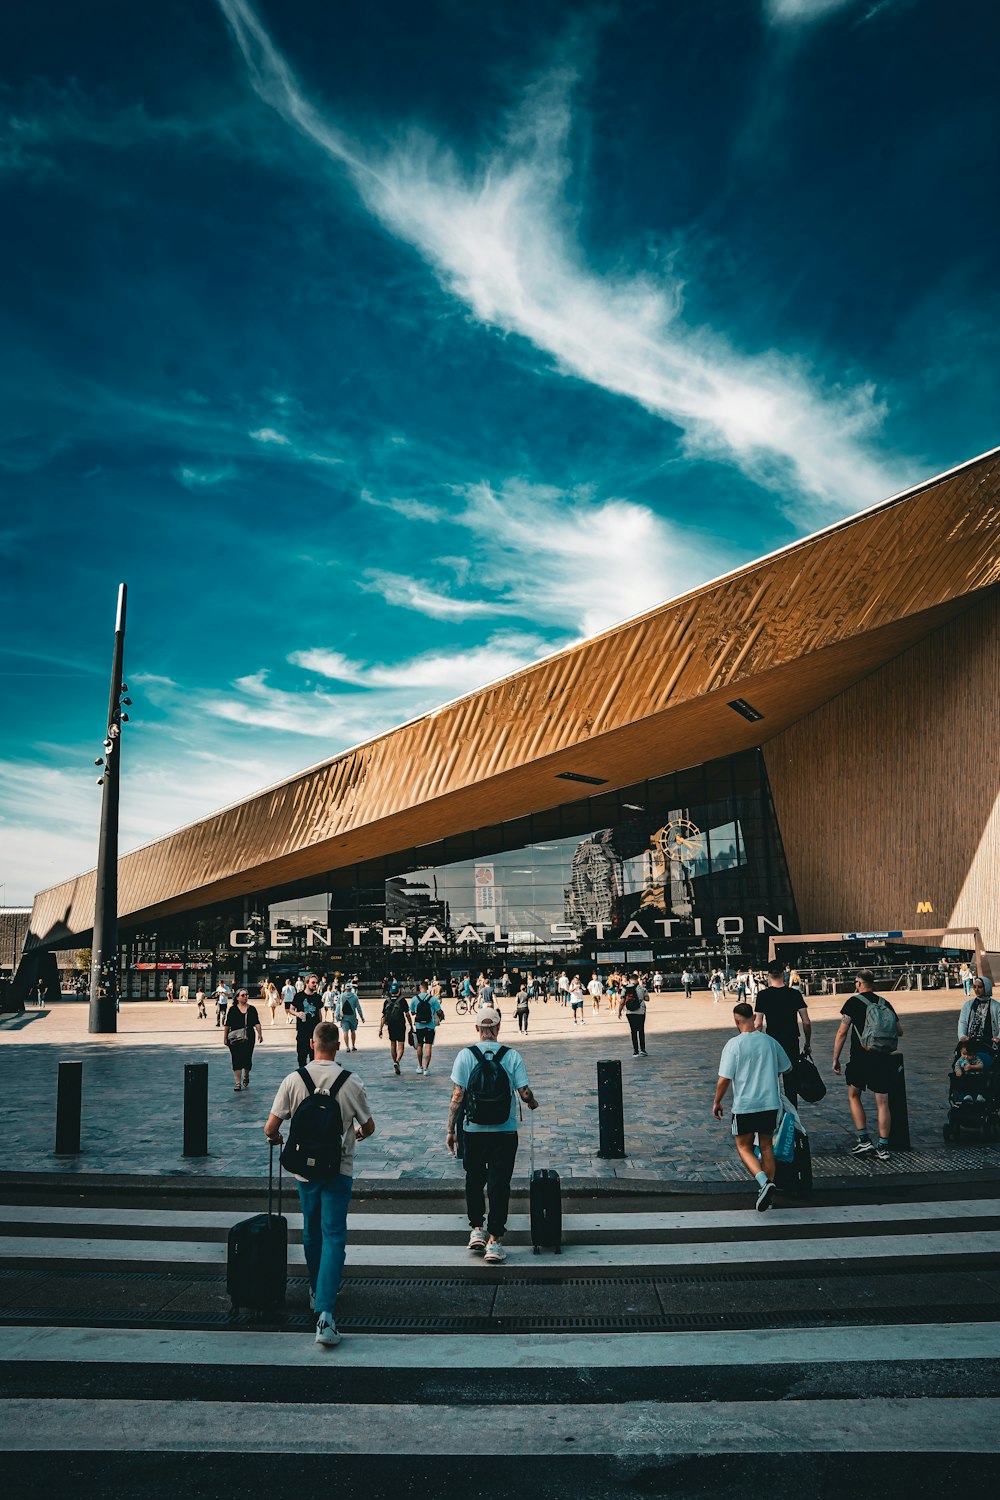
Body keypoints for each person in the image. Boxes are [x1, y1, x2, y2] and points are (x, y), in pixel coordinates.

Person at [264, 1021, 375, 1347]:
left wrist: (277, 1138)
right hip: (338, 1169)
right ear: (337, 1045)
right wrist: (352, 1135)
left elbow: (270, 1127)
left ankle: (315, 1290)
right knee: (334, 1235)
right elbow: (368, 1126)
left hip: (304, 1172)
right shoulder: (350, 1082)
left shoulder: (294, 1080)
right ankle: (326, 1312)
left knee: (311, 1231)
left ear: (312, 1044)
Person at [446, 1008, 538, 1265]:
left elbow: (457, 1096)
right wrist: (533, 1103)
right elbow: (525, 1093)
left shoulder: (465, 1056)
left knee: (474, 1180)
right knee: (499, 1184)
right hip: (504, 1131)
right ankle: (495, 1240)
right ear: (498, 1028)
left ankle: (477, 1228)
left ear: (477, 1028)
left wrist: (450, 1130)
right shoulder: (511, 1056)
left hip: (472, 1131)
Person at [713, 1002, 791, 1211]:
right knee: (766, 1146)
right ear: (753, 1018)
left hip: (745, 1105)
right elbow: (788, 1067)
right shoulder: (769, 1042)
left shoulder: (733, 1045)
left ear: (737, 1020)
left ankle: (764, 1182)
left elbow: (724, 1079)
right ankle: (768, 1193)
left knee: (744, 1147)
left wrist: (717, 1101)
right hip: (770, 1104)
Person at [832, 969, 903, 1162]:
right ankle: (883, 1147)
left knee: (854, 1096)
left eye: (856, 982)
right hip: (883, 1058)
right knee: (883, 1103)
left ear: (859, 983)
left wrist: (835, 1058)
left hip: (860, 1058)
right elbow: (899, 1030)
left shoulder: (853, 1003)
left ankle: (864, 1140)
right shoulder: (884, 1003)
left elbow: (842, 1033)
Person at [754, 959, 812, 1104]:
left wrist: (756, 1043)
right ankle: (791, 1119)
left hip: (772, 1041)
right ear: (783, 973)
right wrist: (807, 1043)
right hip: (791, 1040)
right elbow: (806, 1022)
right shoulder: (794, 994)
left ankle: (774, 1114)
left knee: (771, 1078)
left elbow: (758, 1023)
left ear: (768, 975)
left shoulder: (763, 996)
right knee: (790, 1081)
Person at [223, 987, 263, 1092]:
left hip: (248, 1037)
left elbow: (257, 1022)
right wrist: (225, 1038)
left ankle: (246, 1075)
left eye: (246, 995)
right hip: (234, 1038)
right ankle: (237, 1083)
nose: (245, 997)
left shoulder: (252, 1009)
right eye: (243, 995)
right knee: (236, 1059)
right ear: (237, 997)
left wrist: (260, 1034)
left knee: (247, 1058)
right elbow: (227, 1025)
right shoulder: (232, 1009)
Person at [410, 983, 445, 1074]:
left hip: (419, 1026)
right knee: (428, 1046)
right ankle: (426, 1069)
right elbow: (439, 1011)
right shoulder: (432, 999)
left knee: (420, 1045)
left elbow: (412, 1012)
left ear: (420, 988)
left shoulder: (414, 999)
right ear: (427, 988)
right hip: (430, 1025)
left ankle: (420, 1066)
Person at [958, 976, 1000, 1049]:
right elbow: (963, 1022)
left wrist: (998, 1037)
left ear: (986, 988)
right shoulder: (968, 1005)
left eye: (980, 987)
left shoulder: (996, 1006)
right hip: (971, 1044)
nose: (976, 990)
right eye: (974, 987)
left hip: (989, 1043)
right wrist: (962, 1036)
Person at [379, 984, 413, 1074]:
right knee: (401, 1045)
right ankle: (397, 1061)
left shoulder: (387, 1001)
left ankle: (395, 1062)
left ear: (391, 991)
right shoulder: (402, 1000)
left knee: (393, 1044)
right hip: (400, 1025)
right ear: (398, 990)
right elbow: (407, 1014)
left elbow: (383, 1016)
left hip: (391, 1025)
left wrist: (380, 1029)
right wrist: (411, 1025)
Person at [293, 974, 324, 1069]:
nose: (315, 984)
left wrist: (320, 1027)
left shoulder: (317, 997)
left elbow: (319, 1013)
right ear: (307, 983)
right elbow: (290, 1009)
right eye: (313, 982)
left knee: (314, 1058)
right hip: (302, 1031)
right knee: (302, 1058)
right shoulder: (299, 996)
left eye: (316, 982)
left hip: (314, 1033)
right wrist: (297, 1014)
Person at [619, 974, 648, 1056]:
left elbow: (622, 1002)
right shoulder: (642, 988)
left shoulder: (625, 989)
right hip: (640, 1011)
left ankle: (635, 1051)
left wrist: (619, 1011)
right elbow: (647, 998)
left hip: (629, 1012)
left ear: (630, 980)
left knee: (633, 1031)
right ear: (637, 979)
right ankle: (643, 1050)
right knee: (641, 1030)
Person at [335, 983, 364, 1052]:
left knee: (345, 1032)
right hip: (352, 1017)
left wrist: (336, 1016)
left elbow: (338, 1007)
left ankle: (347, 1047)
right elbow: (358, 1008)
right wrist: (362, 1017)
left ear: (345, 988)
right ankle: (353, 1046)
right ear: (351, 989)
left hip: (344, 1017)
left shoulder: (341, 996)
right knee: (353, 1031)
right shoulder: (355, 997)